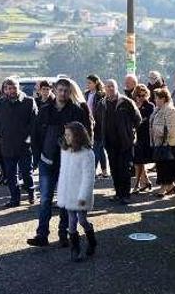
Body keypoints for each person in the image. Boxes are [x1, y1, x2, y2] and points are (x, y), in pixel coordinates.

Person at [27, 78, 91, 248]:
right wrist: (38, 155)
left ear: (70, 92)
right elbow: (35, 135)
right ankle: (42, 235)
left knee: (65, 200)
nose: (63, 93)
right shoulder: (45, 110)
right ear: (55, 90)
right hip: (47, 161)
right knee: (45, 199)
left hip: (68, 164)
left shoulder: (77, 112)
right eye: (60, 90)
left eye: (66, 90)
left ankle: (64, 234)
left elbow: (85, 136)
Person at [0, 78, 37, 207]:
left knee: (27, 172)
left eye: (14, 88)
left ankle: (31, 192)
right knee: (11, 174)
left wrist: (28, 138)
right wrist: (1, 133)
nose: (11, 90)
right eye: (8, 88)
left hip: (24, 145)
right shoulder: (0, 103)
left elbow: (34, 123)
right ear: (5, 89)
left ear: (18, 88)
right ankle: (14, 199)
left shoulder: (29, 102)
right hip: (7, 144)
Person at [55, 122, 97, 262]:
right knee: (71, 222)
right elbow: (63, 173)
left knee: (82, 220)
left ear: (77, 136)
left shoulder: (87, 153)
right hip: (69, 193)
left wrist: (83, 195)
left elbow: (88, 177)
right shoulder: (66, 151)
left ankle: (91, 240)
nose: (65, 137)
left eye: (68, 135)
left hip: (80, 194)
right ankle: (75, 249)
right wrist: (61, 192)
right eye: (65, 134)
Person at [99, 79, 141, 204]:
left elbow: (137, 119)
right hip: (110, 143)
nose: (110, 88)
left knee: (124, 170)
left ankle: (125, 195)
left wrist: (130, 132)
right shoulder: (102, 103)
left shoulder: (126, 102)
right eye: (108, 86)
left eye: (112, 86)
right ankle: (118, 193)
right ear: (104, 89)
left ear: (116, 87)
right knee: (114, 170)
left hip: (125, 143)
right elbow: (98, 120)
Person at [150, 88, 175, 197]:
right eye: (155, 97)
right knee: (161, 166)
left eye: (157, 98)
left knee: (166, 167)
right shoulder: (157, 109)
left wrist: (157, 130)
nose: (155, 100)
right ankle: (170, 187)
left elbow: (172, 129)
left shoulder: (170, 110)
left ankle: (164, 188)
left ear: (164, 98)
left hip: (170, 144)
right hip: (159, 144)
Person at [131, 84, 155, 193]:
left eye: (144, 95)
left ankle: (136, 185)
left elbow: (147, 120)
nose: (141, 97)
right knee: (138, 161)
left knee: (139, 161)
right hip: (135, 136)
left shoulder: (150, 106)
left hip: (145, 136)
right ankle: (145, 181)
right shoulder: (133, 105)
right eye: (139, 95)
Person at [84, 75, 109, 179]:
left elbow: (101, 111)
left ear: (96, 83)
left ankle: (93, 171)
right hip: (89, 123)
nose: (88, 85)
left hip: (98, 124)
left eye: (90, 83)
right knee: (100, 149)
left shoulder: (100, 95)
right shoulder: (87, 94)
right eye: (87, 83)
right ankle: (104, 171)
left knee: (96, 148)